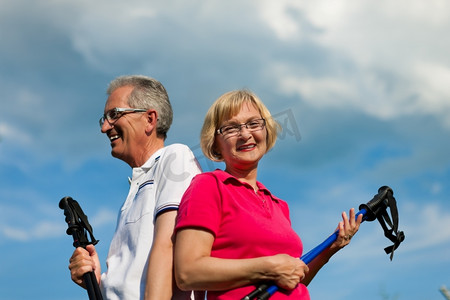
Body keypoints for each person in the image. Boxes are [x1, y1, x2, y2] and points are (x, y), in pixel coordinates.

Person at [173, 90, 362, 299]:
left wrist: (329, 251)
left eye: (254, 124)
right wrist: (269, 266)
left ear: (266, 130)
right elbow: (188, 272)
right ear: (215, 142)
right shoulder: (208, 186)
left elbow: (287, 280)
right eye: (231, 128)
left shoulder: (279, 205)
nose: (245, 134)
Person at [68, 75, 202, 300]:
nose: (104, 127)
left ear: (150, 119)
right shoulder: (133, 192)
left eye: (114, 115)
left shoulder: (174, 157)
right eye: (103, 117)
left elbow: (168, 248)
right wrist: (99, 281)